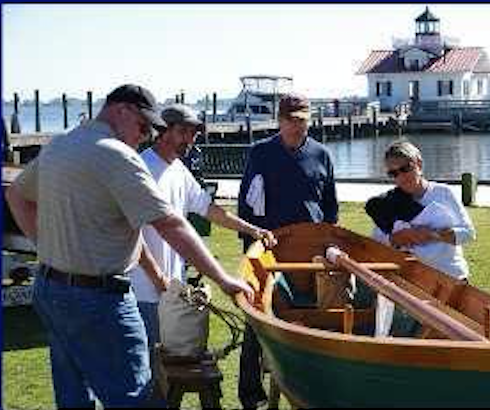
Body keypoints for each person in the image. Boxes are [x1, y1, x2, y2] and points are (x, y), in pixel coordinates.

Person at [5, 84, 254, 409]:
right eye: (142, 127)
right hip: (100, 298)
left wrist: (46, 248)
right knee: (137, 398)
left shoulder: (61, 145)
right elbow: (171, 225)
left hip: (51, 291)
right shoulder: (118, 156)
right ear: (121, 110)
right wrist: (224, 279)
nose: (146, 136)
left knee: (73, 396)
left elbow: (16, 196)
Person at [129, 103, 276, 356]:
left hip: (170, 291)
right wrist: (158, 279)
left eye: (194, 133)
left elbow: (209, 209)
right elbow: (132, 236)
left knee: (168, 368)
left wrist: (252, 229)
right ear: (163, 132)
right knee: (149, 370)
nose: (191, 139)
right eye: (184, 131)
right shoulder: (141, 170)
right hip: (144, 292)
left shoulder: (178, 169)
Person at [237, 92, 339, 409]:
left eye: (302, 120)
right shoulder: (260, 154)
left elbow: (330, 208)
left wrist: (328, 240)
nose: (297, 127)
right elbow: (247, 205)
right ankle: (251, 394)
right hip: (271, 249)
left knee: (316, 315)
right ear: (279, 121)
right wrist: (252, 248)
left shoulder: (321, 154)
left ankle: (315, 386)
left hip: (311, 253)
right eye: (291, 120)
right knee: (257, 320)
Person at [365, 140, 476, 336]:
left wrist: (433, 235)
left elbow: (468, 233)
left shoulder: (443, 193)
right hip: (413, 283)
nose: (401, 177)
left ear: (419, 164)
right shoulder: (387, 203)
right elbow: (377, 243)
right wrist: (396, 239)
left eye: (405, 168)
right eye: (393, 173)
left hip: (451, 279)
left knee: (455, 339)